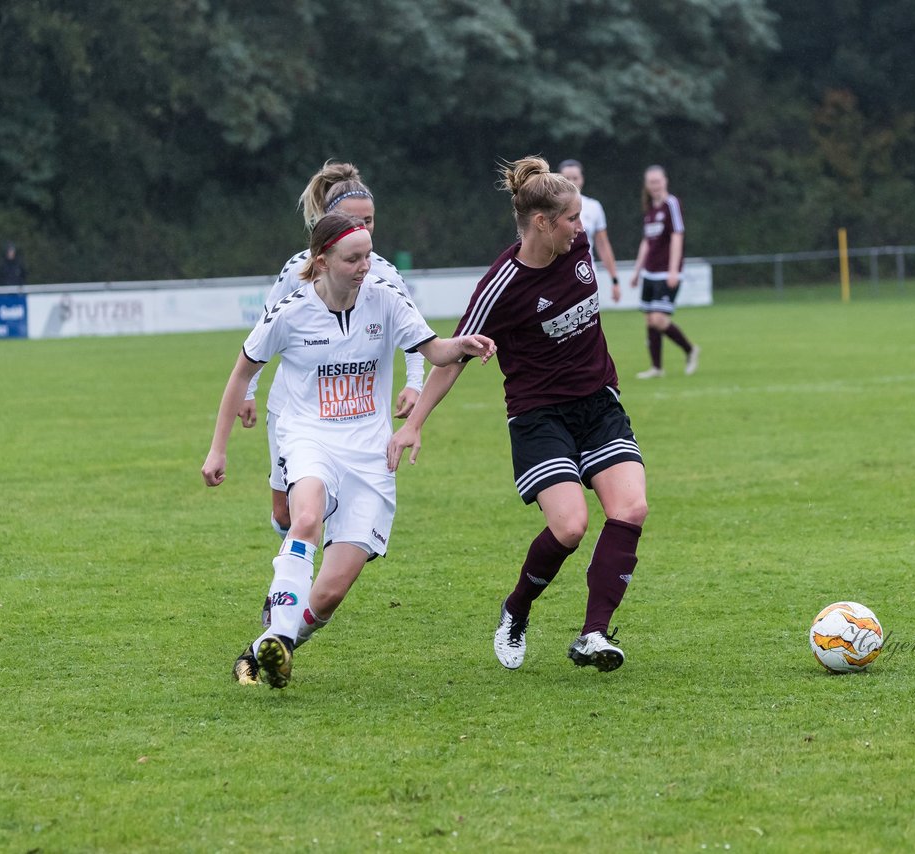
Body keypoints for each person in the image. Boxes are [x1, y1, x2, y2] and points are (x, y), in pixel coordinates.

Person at [202, 212, 495, 688]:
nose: (366, 266)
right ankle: (278, 631)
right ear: (322, 261)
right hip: (308, 435)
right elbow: (241, 372)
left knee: (332, 592)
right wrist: (218, 449)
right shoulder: (291, 311)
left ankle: (268, 650)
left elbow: (434, 350)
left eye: (368, 255)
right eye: (354, 258)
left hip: (369, 453)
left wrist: (460, 344)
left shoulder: (386, 301)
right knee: (306, 517)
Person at [387, 155, 649, 674]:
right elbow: (455, 356)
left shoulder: (579, 249)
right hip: (539, 417)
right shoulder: (500, 286)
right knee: (571, 527)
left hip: (598, 403)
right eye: (572, 219)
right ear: (542, 224)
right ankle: (516, 608)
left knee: (631, 510)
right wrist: (414, 424)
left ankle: (593, 634)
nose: (581, 227)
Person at [241, 162, 425, 542]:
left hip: (354, 415)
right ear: (327, 220)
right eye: (351, 219)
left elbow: (417, 333)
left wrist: (415, 383)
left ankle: (294, 592)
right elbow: (263, 331)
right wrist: (248, 391)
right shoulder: (297, 270)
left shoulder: (385, 274)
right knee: (286, 513)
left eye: (369, 220)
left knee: (322, 512)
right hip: (294, 408)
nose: (363, 228)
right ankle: (295, 577)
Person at [628, 165, 699, 379]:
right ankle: (657, 368)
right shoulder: (650, 210)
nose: (655, 186)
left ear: (665, 181)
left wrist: (673, 270)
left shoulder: (672, 204)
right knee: (650, 320)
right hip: (649, 272)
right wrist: (637, 270)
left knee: (659, 319)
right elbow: (646, 242)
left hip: (665, 272)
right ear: (647, 185)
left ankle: (690, 349)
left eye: (658, 181)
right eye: (651, 182)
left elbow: (678, 236)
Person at [557, 159, 621, 303]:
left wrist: (614, 280)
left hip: (585, 275)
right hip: (558, 275)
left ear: (582, 180)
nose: (571, 182)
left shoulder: (594, 207)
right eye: (567, 178)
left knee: (589, 323)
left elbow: (603, 245)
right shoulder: (550, 208)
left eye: (575, 178)